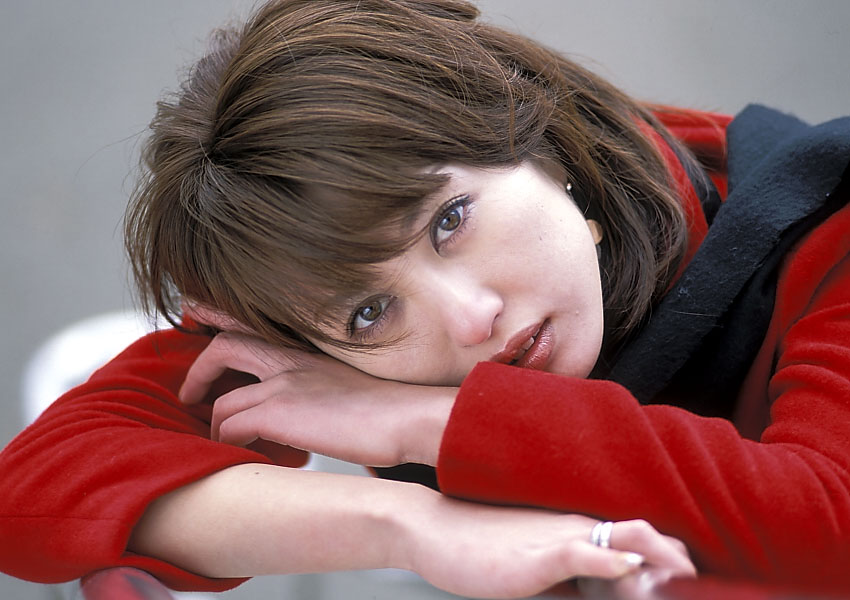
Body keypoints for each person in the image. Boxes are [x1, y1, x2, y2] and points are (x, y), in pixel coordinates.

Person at [1, 0, 849, 597]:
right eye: (371, 312)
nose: (470, 319)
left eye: (450, 220)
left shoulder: (825, 228)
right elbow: (33, 496)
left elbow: (828, 525)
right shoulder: (312, 306)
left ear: (537, 137)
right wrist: (412, 526)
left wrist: (423, 421)